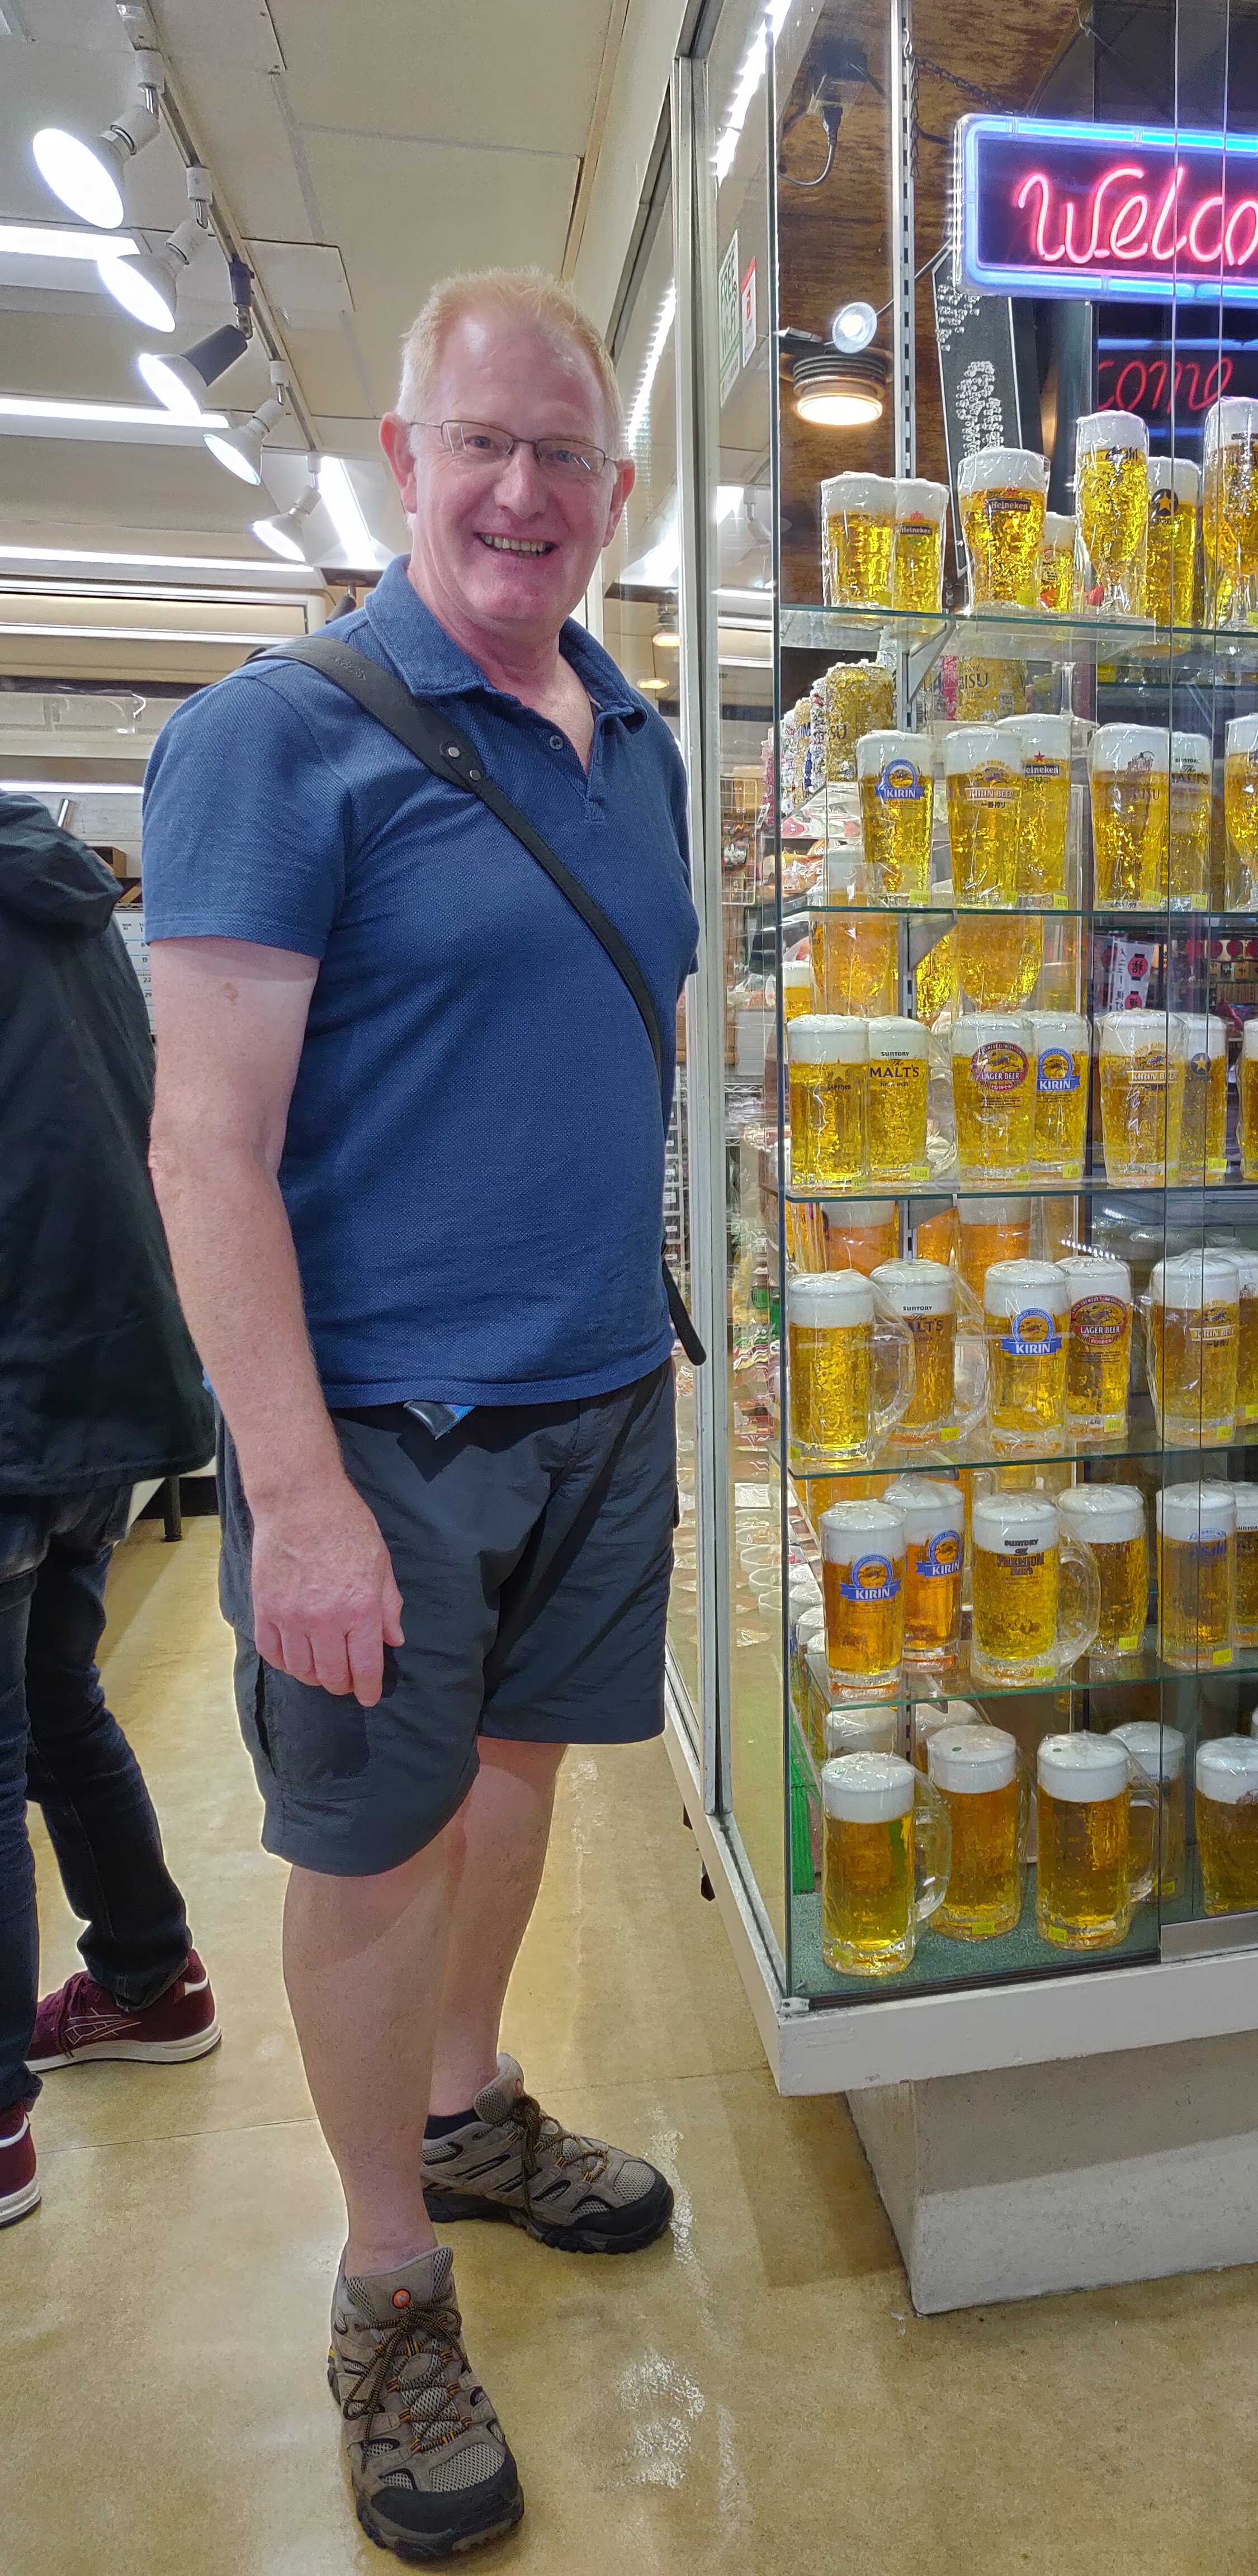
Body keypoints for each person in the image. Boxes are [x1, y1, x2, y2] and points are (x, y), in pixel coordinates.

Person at [142, 269, 699, 2562]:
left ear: (616, 489)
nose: (523, 492)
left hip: (599, 1400)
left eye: (565, 455)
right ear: (403, 458)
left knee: (517, 1778)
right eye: (484, 443)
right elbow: (205, 1147)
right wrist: (292, 1498)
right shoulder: (276, 739)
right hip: (380, 1435)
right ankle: (387, 2286)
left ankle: (468, 2113)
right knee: (367, 1854)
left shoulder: (636, 739)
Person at [0, 792, 220, 2234]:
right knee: (55, 1700)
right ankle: (149, 1975)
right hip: (106, 1380)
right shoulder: (65, 903)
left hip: (17, 1383)